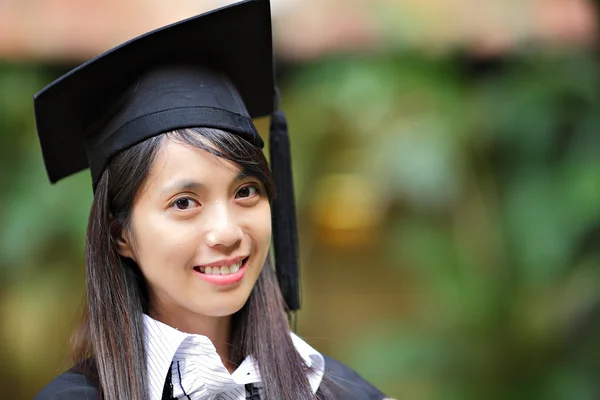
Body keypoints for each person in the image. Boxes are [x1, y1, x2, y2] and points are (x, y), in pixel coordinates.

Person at [32, 1, 391, 399]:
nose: (226, 231)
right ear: (121, 235)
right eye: (184, 202)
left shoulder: (340, 392)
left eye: (245, 192)